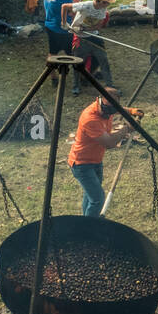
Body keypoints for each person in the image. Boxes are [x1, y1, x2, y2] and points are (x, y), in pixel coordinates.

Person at [67, 86, 130, 217]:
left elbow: (115, 109)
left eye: (113, 110)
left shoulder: (107, 108)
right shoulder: (90, 119)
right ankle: (90, 229)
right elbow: (110, 143)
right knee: (97, 199)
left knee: (90, 195)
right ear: (98, 100)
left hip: (95, 160)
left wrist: (130, 111)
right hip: (81, 164)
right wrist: (126, 129)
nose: (109, 114)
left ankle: (85, 222)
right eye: (107, 110)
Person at [63, 0, 115, 92]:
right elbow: (64, 6)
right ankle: (76, 86)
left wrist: (84, 29)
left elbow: (98, 26)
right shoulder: (85, 5)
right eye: (107, 3)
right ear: (101, 2)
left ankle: (110, 85)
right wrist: (64, 23)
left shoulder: (103, 10)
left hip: (95, 38)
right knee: (78, 63)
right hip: (80, 39)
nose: (107, 5)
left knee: (103, 60)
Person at [42, 0, 74, 85]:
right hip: (62, 29)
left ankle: (53, 77)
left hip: (49, 26)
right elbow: (71, 12)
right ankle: (79, 77)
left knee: (52, 53)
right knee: (72, 53)